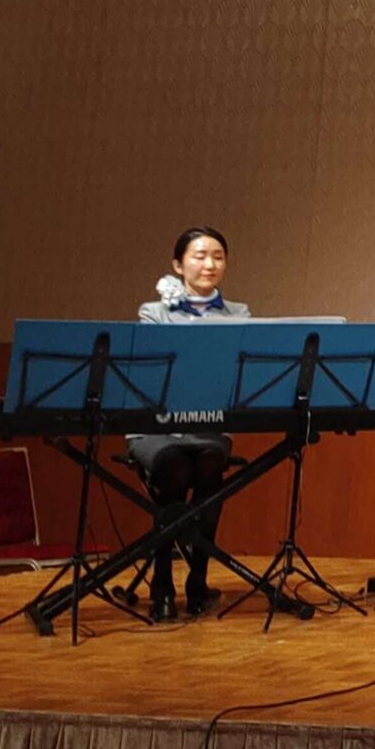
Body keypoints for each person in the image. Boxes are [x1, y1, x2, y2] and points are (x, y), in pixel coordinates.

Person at [128, 226, 249, 621]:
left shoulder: (240, 315)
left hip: (209, 426)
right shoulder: (154, 312)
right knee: (175, 465)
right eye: (199, 256)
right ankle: (161, 584)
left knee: (211, 464)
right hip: (158, 428)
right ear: (178, 264)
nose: (209, 264)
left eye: (218, 255)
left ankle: (197, 582)